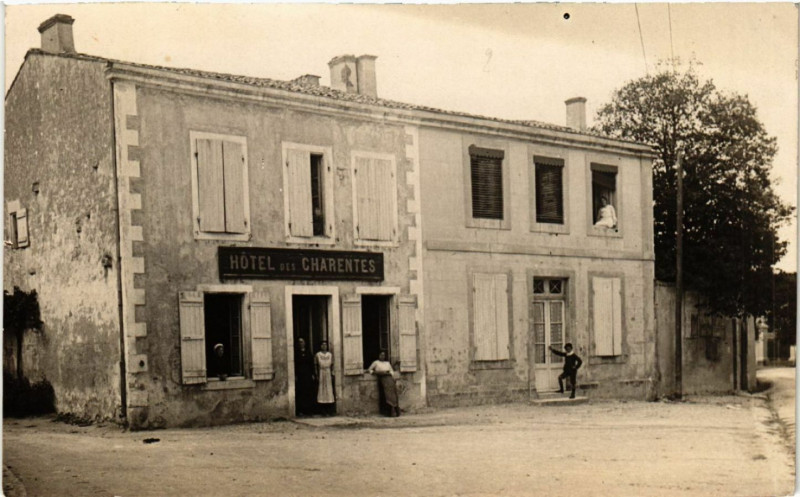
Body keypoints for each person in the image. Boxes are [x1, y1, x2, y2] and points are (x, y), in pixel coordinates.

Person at [366, 351, 400, 417]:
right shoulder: (376, 362)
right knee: (386, 395)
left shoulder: (387, 363)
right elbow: (369, 370)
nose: (382, 356)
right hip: (382, 378)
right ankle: (388, 412)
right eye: (381, 355)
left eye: (383, 355)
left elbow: (391, 371)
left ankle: (396, 410)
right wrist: (376, 372)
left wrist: (392, 377)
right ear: (379, 356)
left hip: (389, 378)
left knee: (393, 393)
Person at [294, 338, 315, 416]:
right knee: (301, 392)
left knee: (308, 391)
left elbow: (311, 363)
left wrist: (313, 374)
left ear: (305, 343)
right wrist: (295, 375)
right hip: (300, 375)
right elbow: (295, 365)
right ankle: (301, 410)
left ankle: (309, 410)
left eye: (302, 342)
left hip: (307, 374)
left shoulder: (308, 352)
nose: (301, 344)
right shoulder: (296, 353)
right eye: (299, 342)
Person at [314, 341, 335, 415]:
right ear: (320, 346)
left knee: (329, 390)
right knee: (322, 389)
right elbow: (315, 365)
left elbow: (332, 365)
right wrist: (316, 374)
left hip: (328, 372)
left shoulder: (330, 355)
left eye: (325, 345)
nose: (324, 346)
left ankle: (329, 409)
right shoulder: (318, 355)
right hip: (321, 372)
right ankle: (322, 409)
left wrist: (332, 373)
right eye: (322, 345)